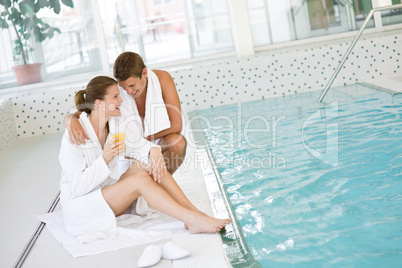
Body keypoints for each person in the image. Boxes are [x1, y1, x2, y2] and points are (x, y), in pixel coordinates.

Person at [59, 76, 231, 242]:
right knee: (140, 179)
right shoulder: (74, 135)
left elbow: (141, 146)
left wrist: (154, 151)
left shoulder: (114, 126)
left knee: (146, 162)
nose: (121, 101)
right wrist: (105, 158)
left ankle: (195, 213)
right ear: (99, 103)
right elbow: (78, 187)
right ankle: (191, 219)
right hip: (82, 206)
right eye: (116, 96)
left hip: (105, 193)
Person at [65, 52, 186, 175]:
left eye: (132, 85)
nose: (128, 92)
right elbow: (89, 110)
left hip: (148, 141)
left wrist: (140, 143)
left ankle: (159, 182)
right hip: (130, 150)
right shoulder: (116, 90)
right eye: (123, 87)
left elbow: (177, 125)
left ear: (144, 73)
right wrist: (71, 119)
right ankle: (147, 185)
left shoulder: (162, 79)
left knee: (178, 143)